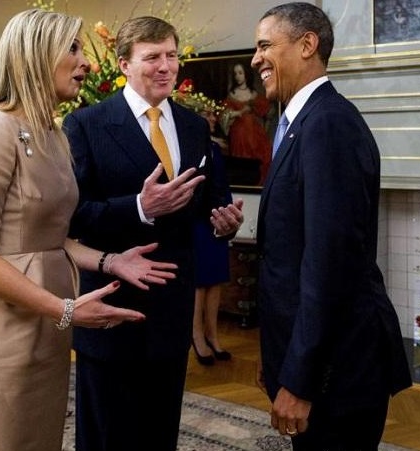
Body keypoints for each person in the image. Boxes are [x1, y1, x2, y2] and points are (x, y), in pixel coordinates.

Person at [0, 9, 179, 451]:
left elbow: (49, 237)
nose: (85, 61)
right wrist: (65, 309)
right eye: (73, 48)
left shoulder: (52, 134)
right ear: (35, 55)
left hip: (47, 325)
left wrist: (111, 261)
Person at [63, 15, 244, 451]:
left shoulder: (194, 126)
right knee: (106, 437)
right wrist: (141, 207)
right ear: (124, 64)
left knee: (160, 434)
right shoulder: (85, 125)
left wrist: (224, 222)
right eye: (152, 57)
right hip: (111, 304)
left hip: (172, 307)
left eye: (171, 56)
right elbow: (73, 218)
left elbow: (212, 199)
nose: (165, 66)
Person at [251, 3, 412, 449]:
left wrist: (299, 377)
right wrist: (277, 353)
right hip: (318, 360)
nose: (256, 58)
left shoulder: (329, 125)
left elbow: (329, 265)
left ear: (307, 45)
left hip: (338, 371)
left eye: (265, 45)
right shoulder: (300, 123)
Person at [172, 84, 233, 365]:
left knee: (216, 280)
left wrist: (228, 217)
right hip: (196, 223)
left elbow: (221, 185)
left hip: (217, 222)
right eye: (207, 114)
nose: (212, 118)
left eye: (212, 115)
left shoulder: (215, 148)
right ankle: (196, 337)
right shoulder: (188, 145)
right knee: (199, 283)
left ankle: (213, 335)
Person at [221, 61, 273, 184]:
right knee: (242, 163)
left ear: (246, 74)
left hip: (255, 135)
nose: (237, 76)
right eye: (235, 74)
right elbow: (224, 115)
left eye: (240, 73)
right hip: (238, 135)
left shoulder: (254, 94)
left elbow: (268, 112)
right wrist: (238, 112)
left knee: (262, 159)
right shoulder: (232, 95)